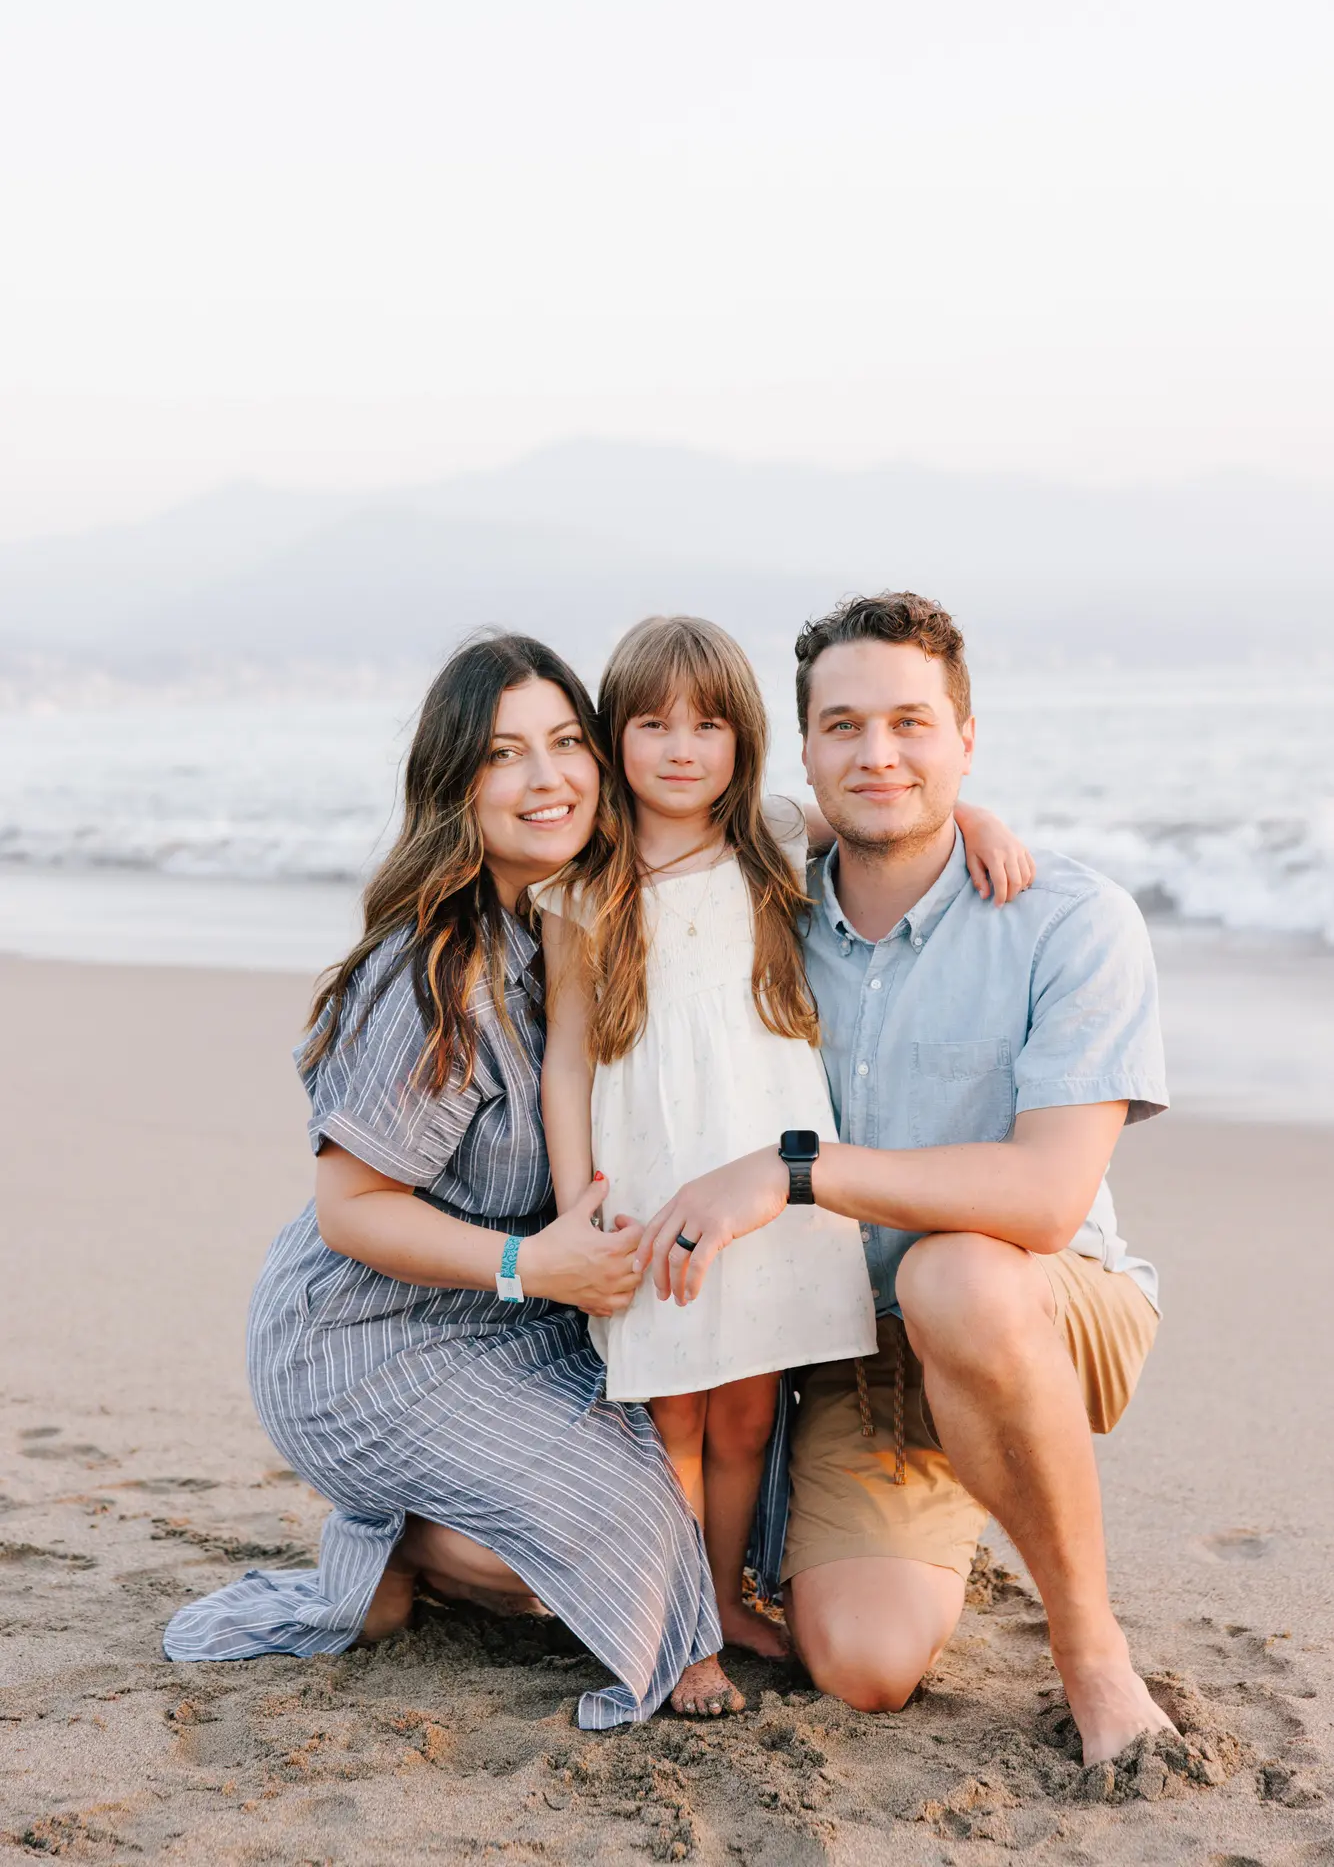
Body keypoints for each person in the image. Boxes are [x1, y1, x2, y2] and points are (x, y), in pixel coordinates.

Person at [635, 591, 1175, 1766]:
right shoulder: (761, 902)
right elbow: (666, 826)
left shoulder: (1066, 920)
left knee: (960, 1278)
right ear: (806, 751)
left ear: (963, 737)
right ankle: (973, 1473)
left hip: (1038, 1292)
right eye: (842, 727)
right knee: (863, 1666)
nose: (877, 754)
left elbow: (1043, 1198)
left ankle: (1090, 1649)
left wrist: (799, 1170)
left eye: (910, 724)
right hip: (853, 1342)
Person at [162, 632, 722, 1729]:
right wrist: (529, 1261)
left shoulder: (595, 910)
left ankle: (464, 1517)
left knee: (703, 1471)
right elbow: (350, 1204)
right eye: (506, 753)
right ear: (456, 785)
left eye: (566, 742)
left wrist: (966, 825)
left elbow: (767, 839)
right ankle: (387, 1543)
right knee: (581, 1551)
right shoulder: (433, 971)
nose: (547, 776)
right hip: (371, 1334)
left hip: (522, 1318)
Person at [539, 613, 1033, 1719]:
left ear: (746, 737)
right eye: (652, 724)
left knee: (748, 1417)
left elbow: (898, 811)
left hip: (772, 1179)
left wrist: (985, 819)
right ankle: (674, 1632)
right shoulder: (587, 880)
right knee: (672, 1415)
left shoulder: (768, 831)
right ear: (612, 737)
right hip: (654, 1172)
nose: (680, 748)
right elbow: (566, 1059)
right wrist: (578, 1195)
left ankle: (719, 1599)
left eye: (708, 723)